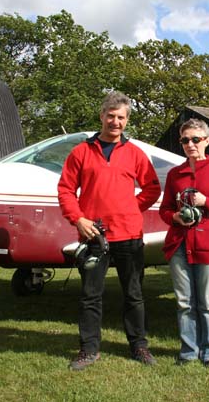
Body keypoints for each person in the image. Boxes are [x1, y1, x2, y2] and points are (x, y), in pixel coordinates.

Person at [58, 91, 161, 371]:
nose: (115, 122)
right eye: (111, 116)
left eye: (121, 118)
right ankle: (89, 349)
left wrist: (131, 207)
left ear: (126, 121)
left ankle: (139, 346)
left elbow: (153, 187)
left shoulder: (135, 153)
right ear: (102, 115)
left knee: (134, 294)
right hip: (94, 236)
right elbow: (66, 189)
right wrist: (78, 218)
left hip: (129, 234)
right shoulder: (81, 152)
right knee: (90, 295)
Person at [158, 118, 209, 367]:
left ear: (206, 140)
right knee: (184, 303)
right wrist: (174, 217)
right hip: (179, 245)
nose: (190, 144)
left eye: (195, 139)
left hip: (208, 245)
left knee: (208, 304)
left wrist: (206, 202)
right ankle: (188, 352)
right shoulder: (175, 174)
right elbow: (164, 209)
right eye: (185, 140)